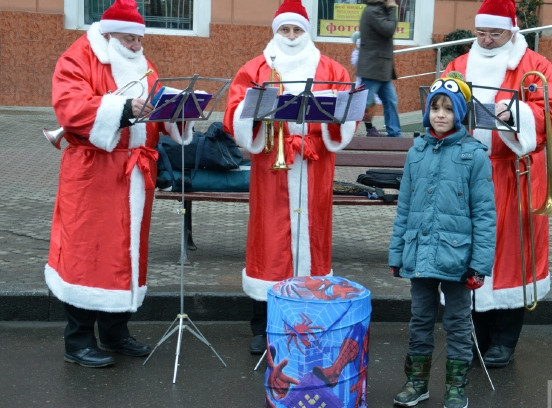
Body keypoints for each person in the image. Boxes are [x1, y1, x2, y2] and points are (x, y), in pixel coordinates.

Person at [44, 0, 192, 368]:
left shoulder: (142, 62)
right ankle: (77, 340)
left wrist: (178, 115)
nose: (136, 47)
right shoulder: (77, 57)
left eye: (138, 40)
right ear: (108, 33)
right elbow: (70, 106)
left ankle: (115, 331)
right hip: (93, 172)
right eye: (129, 39)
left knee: (125, 252)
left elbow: (156, 106)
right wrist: (123, 109)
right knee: (87, 253)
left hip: (134, 175)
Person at [223, 0, 356, 355]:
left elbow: (348, 113)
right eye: (286, 29)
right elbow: (234, 113)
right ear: (275, 30)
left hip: (314, 163)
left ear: (307, 31)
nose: (292, 36)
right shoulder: (256, 67)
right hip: (271, 165)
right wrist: (254, 112)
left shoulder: (332, 69)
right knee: (268, 240)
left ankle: (309, 319)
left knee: (313, 238)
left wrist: (336, 118)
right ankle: (263, 324)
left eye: (297, 29)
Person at [442, 0, 552, 368]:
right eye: (482, 32)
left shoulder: (537, 66)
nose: (488, 40)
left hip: (514, 171)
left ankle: (505, 341)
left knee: (514, 256)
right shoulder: (459, 65)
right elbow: (441, 106)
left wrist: (514, 114)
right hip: (466, 171)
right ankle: (477, 335)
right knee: (469, 252)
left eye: (495, 33)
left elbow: (551, 112)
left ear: (512, 30)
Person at [388, 76, 496, 408]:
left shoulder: (474, 155)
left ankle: (455, 387)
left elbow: (484, 214)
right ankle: (417, 382)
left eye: (448, 109)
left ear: (459, 113)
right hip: (419, 253)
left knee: (458, 323)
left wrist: (479, 265)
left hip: (458, 258)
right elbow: (405, 206)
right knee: (420, 319)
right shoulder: (416, 152)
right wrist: (397, 252)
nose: (440, 114)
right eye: (435, 107)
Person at [356, 0, 402, 138]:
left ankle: (395, 134)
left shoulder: (377, 9)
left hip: (380, 69)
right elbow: (389, 29)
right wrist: (392, 8)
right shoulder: (373, 11)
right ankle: (342, 129)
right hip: (374, 68)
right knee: (364, 105)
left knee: (390, 101)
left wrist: (388, 9)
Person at [350, 30, 384, 137]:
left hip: (370, 83)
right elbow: (358, 63)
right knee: (364, 107)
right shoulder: (357, 53)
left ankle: (369, 129)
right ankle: (368, 129)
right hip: (363, 84)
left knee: (368, 107)